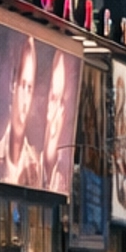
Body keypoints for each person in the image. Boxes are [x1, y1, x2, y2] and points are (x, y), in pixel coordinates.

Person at [0, 38, 43, 188]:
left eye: (30, 89)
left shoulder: (34, 166)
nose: (26, 99)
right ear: (14, 86)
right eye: (23, 85)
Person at [40, 47, 76, 196]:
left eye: (63, 102)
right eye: (54, 98)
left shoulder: (64, 179)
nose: (57, 112)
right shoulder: (28, 168)